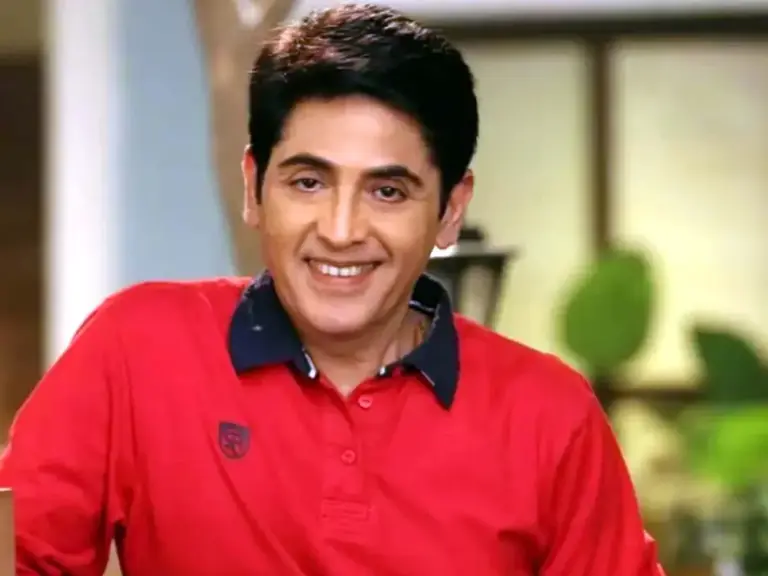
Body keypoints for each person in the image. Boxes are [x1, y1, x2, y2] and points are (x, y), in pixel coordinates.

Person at [0, 4, 665, 575]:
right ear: (254, 187)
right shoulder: (137, 348)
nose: (341, 231)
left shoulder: (550, 416)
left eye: (388, 191)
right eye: (308, 182)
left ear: (451, 210)